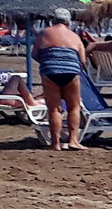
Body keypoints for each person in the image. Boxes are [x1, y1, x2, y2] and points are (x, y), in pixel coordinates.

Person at [34, 9, 88, 150]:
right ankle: (73, 141)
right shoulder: (75, 37)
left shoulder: (44, 33)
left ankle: (55, 143)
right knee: (73, 107)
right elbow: (82, 60)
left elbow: (35, 54)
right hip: (71, 71)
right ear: (68, 22)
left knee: (54, 109)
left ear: (53, 20)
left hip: (50, 70)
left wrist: (48, 62)